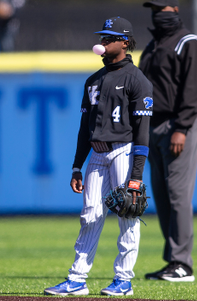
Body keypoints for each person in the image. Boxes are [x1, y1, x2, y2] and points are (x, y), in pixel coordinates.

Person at [44, 17, 153, 296]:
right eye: (103, 37)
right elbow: (84, 128)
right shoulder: (93, 80)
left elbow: (142, 132)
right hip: (96, 154)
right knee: (89, 216)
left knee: (128, 213)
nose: (103, 41)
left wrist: (136, 176)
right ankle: (77, 279)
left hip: (123, 152)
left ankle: (124, 280)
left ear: (124, 42)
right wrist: (76, 166)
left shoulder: (137, 79)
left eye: (109, 37)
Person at [138, 0, 197, 282]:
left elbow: (195, 91)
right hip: (152, 126)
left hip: (178, 125)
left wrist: (181, 127)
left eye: (162, 7)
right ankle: (173, 262)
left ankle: (183, 263)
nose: (158, 13)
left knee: (179, 195)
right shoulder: (153, 44)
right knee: (163, 195)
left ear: (176, 9)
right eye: (154, 8)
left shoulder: (189, 43)